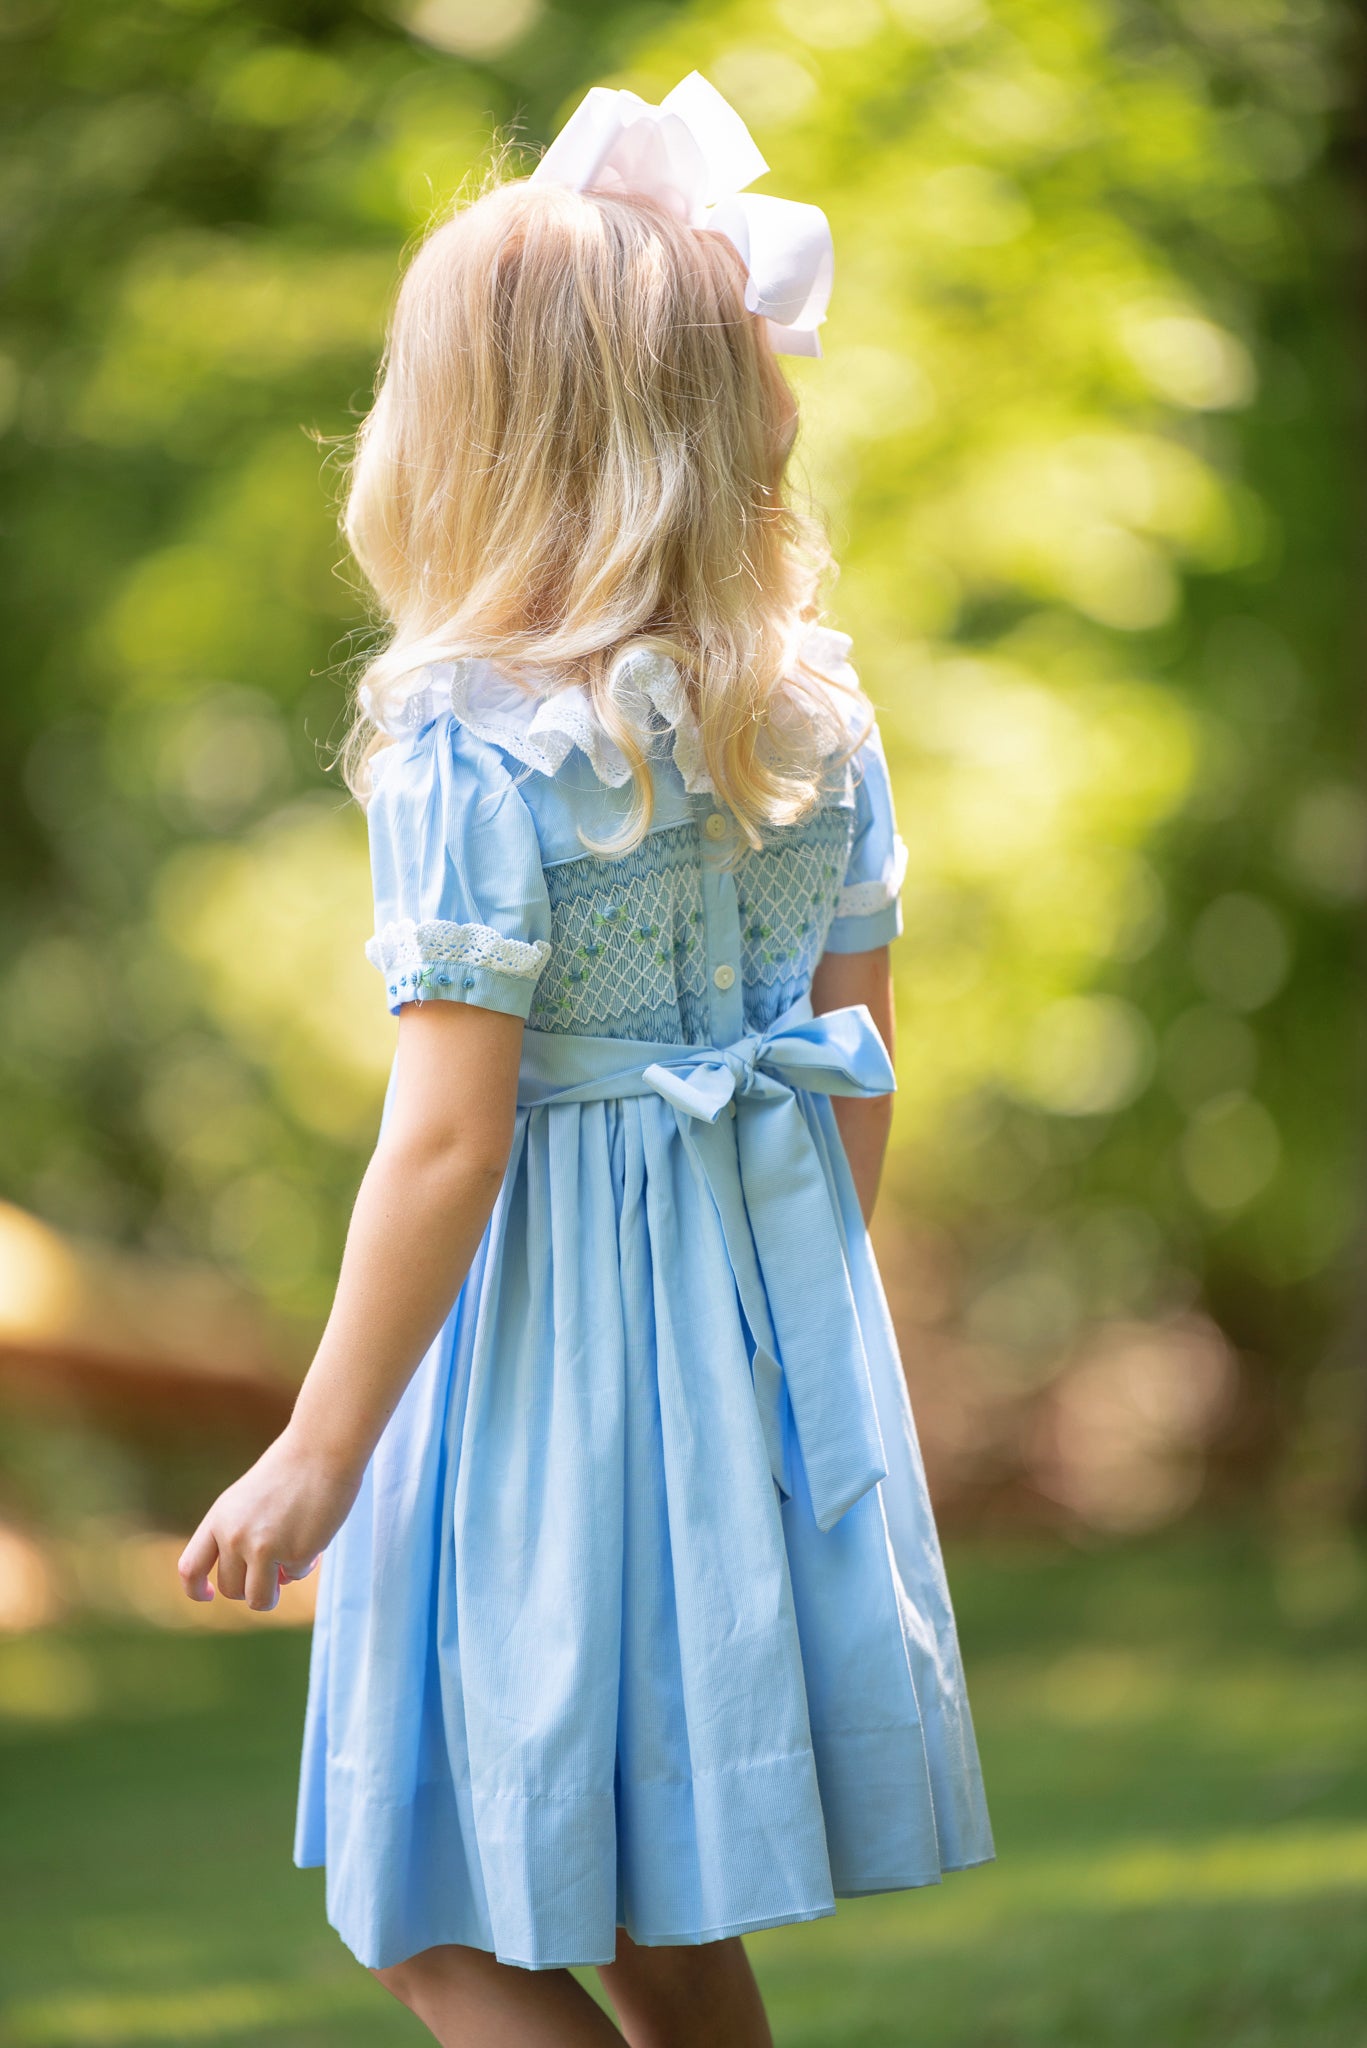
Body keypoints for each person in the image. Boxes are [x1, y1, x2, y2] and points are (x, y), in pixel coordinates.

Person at [178, 71, 994, 2048]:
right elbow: (854, 1061)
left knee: (432, 1900)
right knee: (663, 1914)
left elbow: (449, 1147)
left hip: (529, 1358)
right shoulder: (813, 717)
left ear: (470, 442)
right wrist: (793, 1346)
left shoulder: (474, 739)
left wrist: (320, 1443)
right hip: (735, 1342)